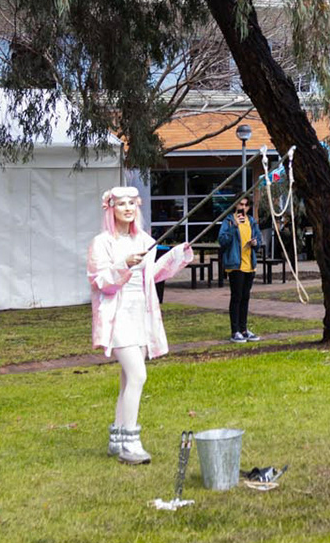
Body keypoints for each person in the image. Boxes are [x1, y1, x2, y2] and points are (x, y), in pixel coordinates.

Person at [87, 185, 195, 463]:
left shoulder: (145, 239)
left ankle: (117, 438)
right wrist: (123, 264)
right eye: (121, 204)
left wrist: (176, 255)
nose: (128, 208)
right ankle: (130, 443)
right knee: (138, 375)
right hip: (117, 315)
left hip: (141, 314)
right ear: (111, 208)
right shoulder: (102, 242)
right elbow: (100, 281)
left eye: (132, 203)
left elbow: (153, 274)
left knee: (127, 379)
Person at [217, 197, 265, 343]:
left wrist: (255, 242)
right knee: (236, 296)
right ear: (235, 205)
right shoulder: (229, 221)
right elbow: (222, 241)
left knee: (245, 297)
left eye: (246, 205)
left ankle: (244, 329)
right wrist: (234, 227)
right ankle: (235, 331)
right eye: (241, 204)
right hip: (235, 265)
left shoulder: (251, 221)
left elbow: (259, 240)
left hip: (249, 264)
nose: (243, 208)